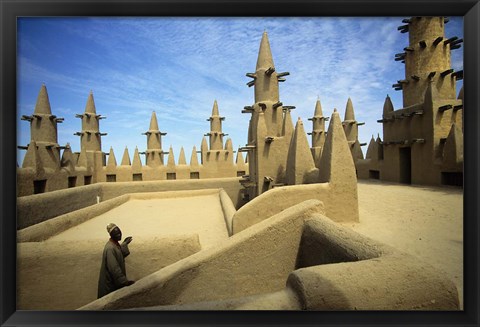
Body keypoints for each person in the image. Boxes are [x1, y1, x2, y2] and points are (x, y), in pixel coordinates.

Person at [97, 223, 135, 298]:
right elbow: (114, 268)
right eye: (116, 233)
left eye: (119, 232)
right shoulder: (110, 249)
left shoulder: (114, 245)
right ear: (111, 235)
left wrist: (124, 244)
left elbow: (119, 255)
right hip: (109, 287)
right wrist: (124, 282)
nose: (119, 235)